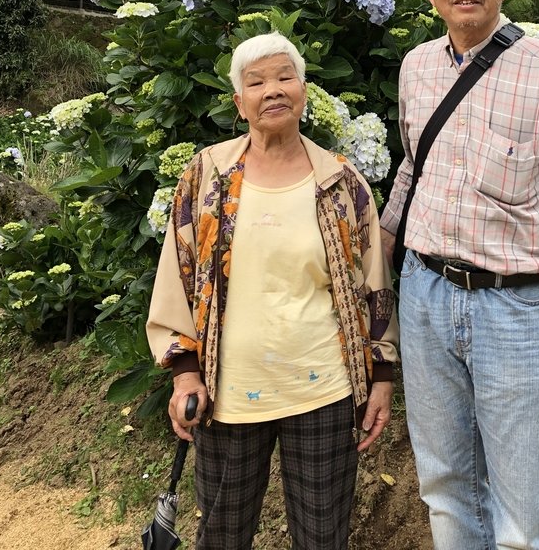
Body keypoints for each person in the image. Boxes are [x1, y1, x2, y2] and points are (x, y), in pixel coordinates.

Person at [379, 0, 539, 550]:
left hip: (518, 305)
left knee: (526, 504)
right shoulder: (417, 67)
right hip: (425, 294)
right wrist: (376, 251)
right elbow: (410, 168)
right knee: (446, 480)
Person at [147, 33, 398, 550]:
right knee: (222, 533)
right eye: (256, 82)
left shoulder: (341, 181)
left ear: (304, 91)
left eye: (285, 77)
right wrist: (184, 371)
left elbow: (374, 285)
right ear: (240, 103)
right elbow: (179, 273)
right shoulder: (208, 176)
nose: (273, 90)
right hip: (229, 391)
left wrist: (382, 376)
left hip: (325, 389)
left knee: (323, 534)